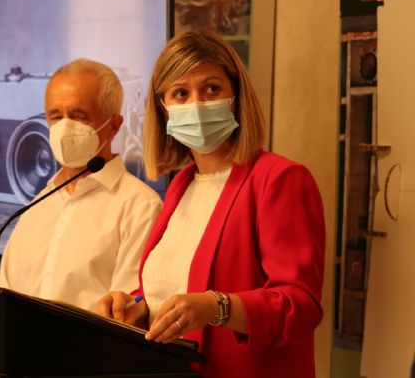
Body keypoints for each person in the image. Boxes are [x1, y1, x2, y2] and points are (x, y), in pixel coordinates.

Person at [98, 30, 325, 378]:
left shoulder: (280, 179)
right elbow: (176, 287)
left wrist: (219, 307)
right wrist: (137, 307)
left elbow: (300, 306)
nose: (197, 104)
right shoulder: (182, 185)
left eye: (212, 89)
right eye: (181, 93)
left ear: (236, 96)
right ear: (163, 110)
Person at [0, 58, 162, 312]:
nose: (64, 127)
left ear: (114, 126)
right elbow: (3, 303)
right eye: (55, 116)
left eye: (79, 116)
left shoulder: (141, 208)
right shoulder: (35, 208)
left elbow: (124, 314)